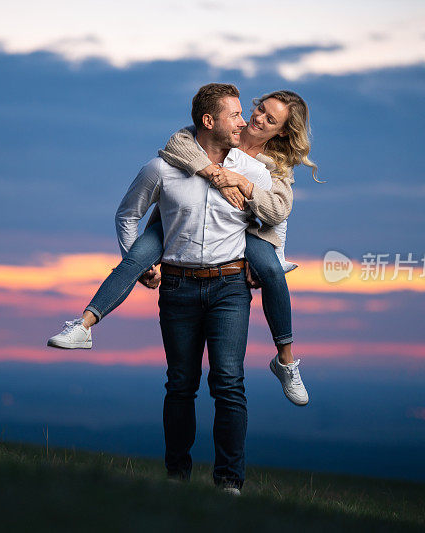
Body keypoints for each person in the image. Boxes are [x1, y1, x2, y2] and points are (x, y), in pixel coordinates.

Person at [47, 89, 320, 407]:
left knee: (272, 271)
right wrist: (214, 173)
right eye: (259, 109)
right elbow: (177, 144)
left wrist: (244, 188)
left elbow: (278, 211)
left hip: (245, 231)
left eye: (270, 119)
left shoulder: (269, 167)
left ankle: (285, 360)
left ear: (282, 130)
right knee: (135, 257)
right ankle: (84, 325)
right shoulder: (221, 128)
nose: (257, 118)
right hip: (184, 221)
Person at [120, 83, 272, 493]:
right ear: (209, 121)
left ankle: (229, 484)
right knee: (181, 383)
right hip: (177, 287)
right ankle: (177, 479)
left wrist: (265, 263)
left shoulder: (252, 171)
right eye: (235, 115)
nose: (245, 122)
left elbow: (274, 221)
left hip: (230, 288)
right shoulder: (161, 168)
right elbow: (127, 215)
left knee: (228, 382)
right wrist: (140, 265)